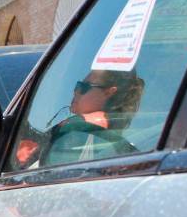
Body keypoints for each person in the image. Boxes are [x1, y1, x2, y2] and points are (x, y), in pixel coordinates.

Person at [15, 68, 145, 170]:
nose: (75, 91)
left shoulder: (75, 128)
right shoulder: (130, 149)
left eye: (84, 87)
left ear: (109, 92)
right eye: (77, 85)